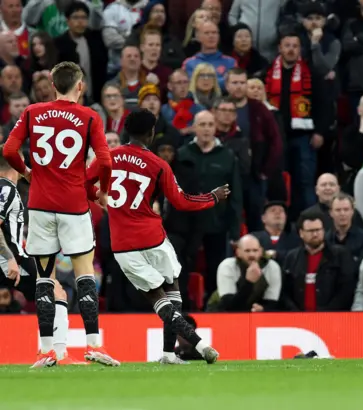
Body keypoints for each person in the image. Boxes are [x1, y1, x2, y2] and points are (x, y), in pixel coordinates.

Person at [86, 109, 230, 365]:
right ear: (152, 133)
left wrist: (99, 196)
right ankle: (199, 344)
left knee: (160, 300)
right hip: (153, 238)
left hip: (124, 243)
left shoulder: (108, 156)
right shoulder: (158, 164)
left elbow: (85, 181)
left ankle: (168, 353)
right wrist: (212, 197)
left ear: (127, 131)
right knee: (172, 295)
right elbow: (181, 201)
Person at [2, 61, 116, 368]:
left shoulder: (32, 112)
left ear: (53, 85)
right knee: (84, 273)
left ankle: (46, 349)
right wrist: (103, 192)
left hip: (39, 204)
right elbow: (105, 161)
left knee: (44, 277)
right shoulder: (89, 116)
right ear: (80, 86)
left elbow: (10, 150)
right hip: (74, 205)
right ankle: (93, 345)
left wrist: (27, 173)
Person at [0, 147, 82, 365]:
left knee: (53, 291)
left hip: (13, 257)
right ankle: (56, 353)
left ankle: (51, 353)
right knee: (56, 292)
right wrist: (9, 257)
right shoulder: (6, 189)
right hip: (10, 258)